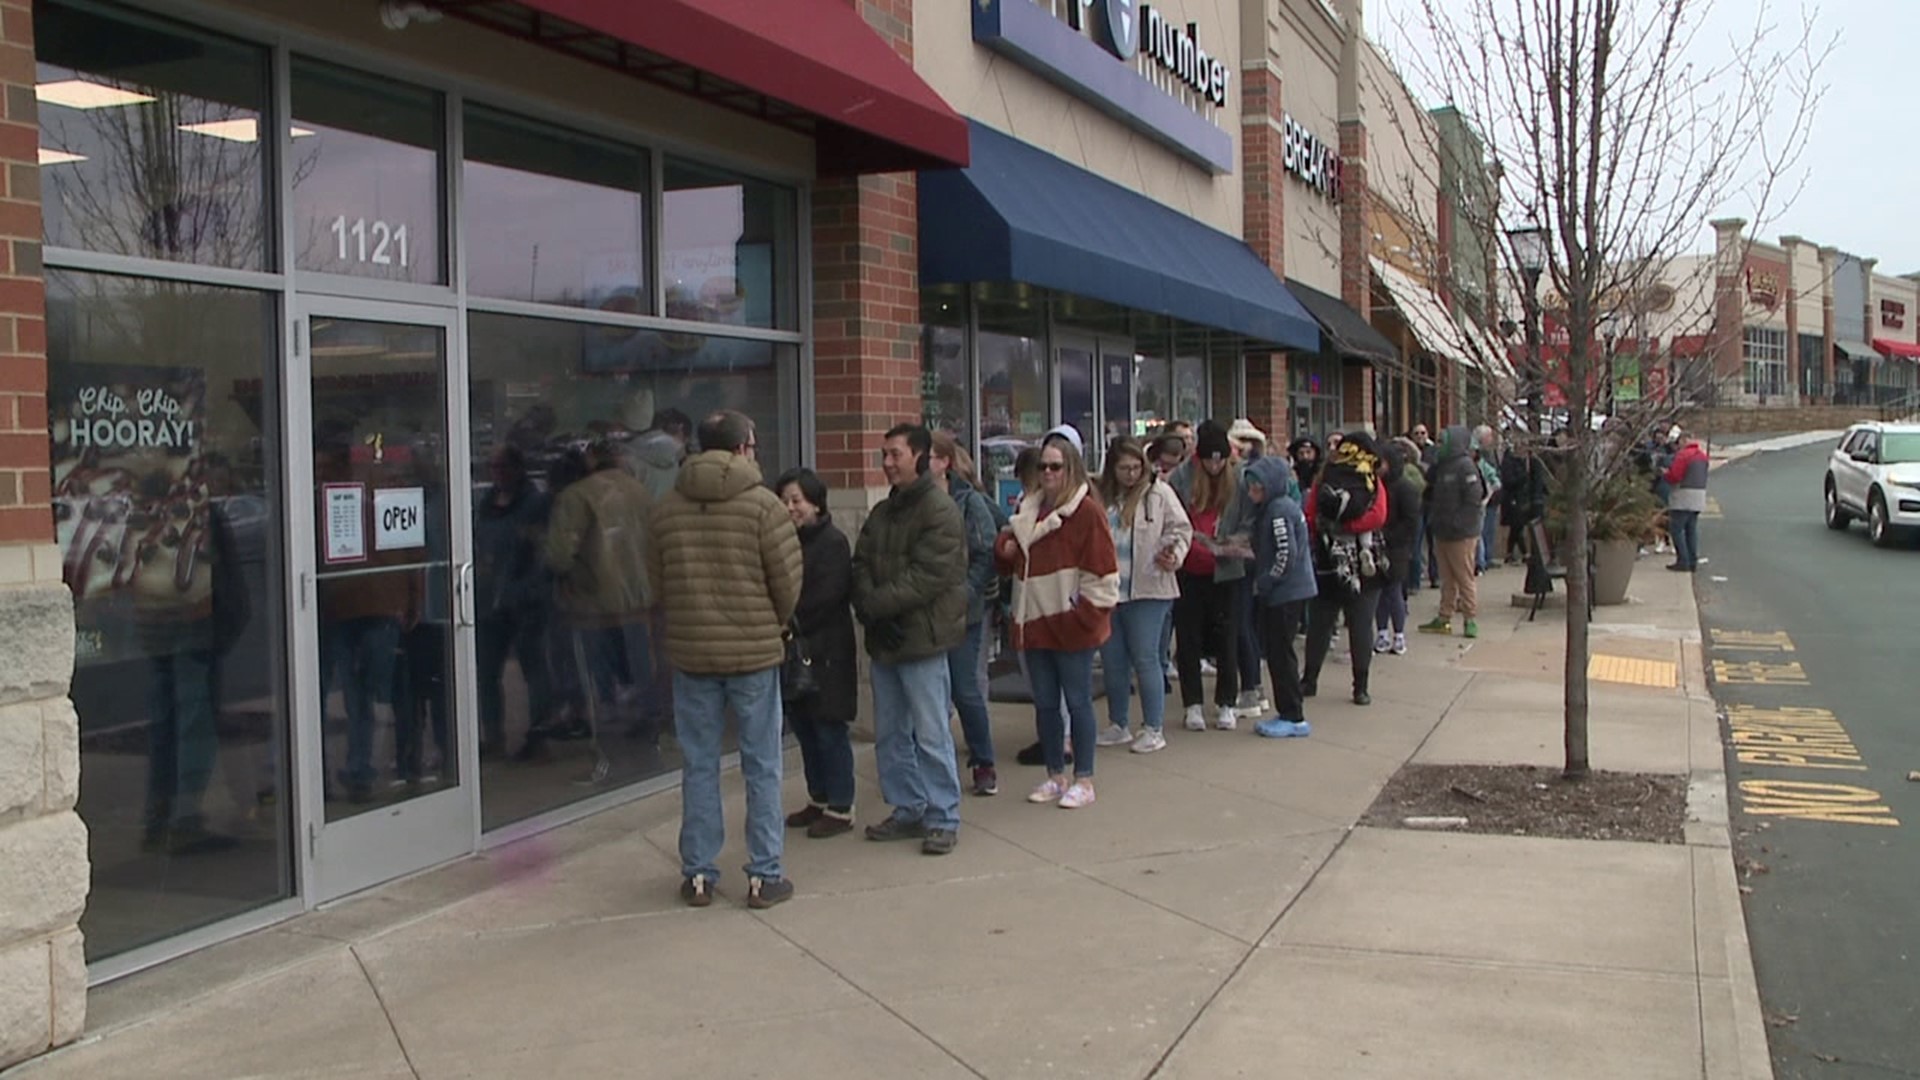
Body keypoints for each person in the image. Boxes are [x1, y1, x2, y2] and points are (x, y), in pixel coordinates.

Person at [647, 410, 802, 909]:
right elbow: (787, 582)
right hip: (754, 654)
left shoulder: (667, 508)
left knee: (698, 765)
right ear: (741, 449)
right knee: (761, 765)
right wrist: (771, 622)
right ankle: (764, 873)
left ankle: (698, 873)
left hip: (692, 654)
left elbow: (657, 582)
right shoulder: (763, 507)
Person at [853, 423, 969, 854]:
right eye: (884, 454)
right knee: (891, 733)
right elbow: (860, 560)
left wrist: (877, 605)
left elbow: (928, 577)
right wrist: (867, 604)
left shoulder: (939, 511)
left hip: (922, 641)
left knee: (931, 732)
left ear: (920, 457)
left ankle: (943, 816)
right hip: (886, 640)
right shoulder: (884, 512)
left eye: (895, 454)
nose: (887, 463)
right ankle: (908, 808)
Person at [997, 433, 1119, 807]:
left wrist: (1079, 619)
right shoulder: (1027, 510)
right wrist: (1006, 550)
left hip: (1069, 627)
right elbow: (1011, 563)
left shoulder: (1087, 513)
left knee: (1078, 702)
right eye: (1043, 466)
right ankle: (1055, 774)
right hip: (1034, 624)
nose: (1048, 473)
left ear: (1071, 469)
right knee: (1046, 705)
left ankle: (1084, 778)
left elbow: (1103, 578)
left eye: (1055, 466)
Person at [544, 436, 654, 764]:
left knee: (595, 676)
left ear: (592, 458)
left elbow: (558, 555)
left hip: (591, 603)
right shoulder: (640, 492)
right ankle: (645, 725)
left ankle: (602, 742)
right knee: (638, 668)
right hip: (638, 598)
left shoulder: (575, 497)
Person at [775, 468, 859, 838]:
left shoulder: (832, 542)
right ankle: (819, 797)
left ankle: (841, 806)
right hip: (794, 653)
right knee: (805, 729)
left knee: (829, 728)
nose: (790, 507)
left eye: (797, 500)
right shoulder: (783, 542)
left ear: (816, 503)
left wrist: (786, 618)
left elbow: (824, 598)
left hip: (827, 652)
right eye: (785, 500)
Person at [1093, 437, 1191, 754]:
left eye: (1136, 467)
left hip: (1149, 588)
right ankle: (1118, 723)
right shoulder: (1102, 496)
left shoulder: (1158, 493)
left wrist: (1174, 553)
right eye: (1124, 468)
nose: (1132, 474)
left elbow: (1181, 529)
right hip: (1110, 589)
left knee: (1146, 657)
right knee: (1113, 660)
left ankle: (1153, 727)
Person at [1168, 420, 1254, 732]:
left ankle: (1226, 703)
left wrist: (1234, 542)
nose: (1215, 465)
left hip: (1226, 570)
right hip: (1190, 568)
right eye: (1209, 459)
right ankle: (1192, 704)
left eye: (1220, 459)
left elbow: (1249, 520)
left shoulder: (1241, 478)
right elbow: (1171, 518)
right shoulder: (1181, 478)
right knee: (1188, 638)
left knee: (1227, 637)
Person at [930, 430, 1002, 797]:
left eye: (927, 456)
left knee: (964, 688)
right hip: (922, 613)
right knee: (928, 694)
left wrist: (967, 592)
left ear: (944, 462)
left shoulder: (968, 501)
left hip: (963, 612)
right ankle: (929, 768)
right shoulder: (905, 501)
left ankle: (983, 760)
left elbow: (987, 552)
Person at [474, 445, 553, 762]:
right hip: (490, 599)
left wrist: (526, 588)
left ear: (518, 469)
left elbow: (543, 553)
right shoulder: (486, 502)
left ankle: (539, 734)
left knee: (532, 668)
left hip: (525, 599)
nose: (497, 473)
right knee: (487, 671)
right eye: (492, 467)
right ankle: (492, 735)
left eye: (503, 467)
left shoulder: (535, 505)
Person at [1301, 432, 1391, 705]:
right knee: (1362, 625)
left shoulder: (1326, 477)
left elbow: (1310, 513)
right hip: (1367, 561)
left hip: (1331, 559)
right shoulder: (1372, 480)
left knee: (1320, 623)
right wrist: (1353, 528)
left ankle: (1309, 680)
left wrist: (1332, 530)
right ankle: (1360, 687)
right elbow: (1380, 515)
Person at [1243, 454, 1315, 738]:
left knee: (1281, 655)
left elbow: (1287, 553)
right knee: (1279, 653)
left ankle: (1292, 714)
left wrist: (1267, 581)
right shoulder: (1276, 508)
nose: (1252, 493)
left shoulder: (1279, 510)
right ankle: (1289, 711)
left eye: (1257, 487)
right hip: (1285, 591)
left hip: (1285, 594)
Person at [1418, 426, 1490, 638]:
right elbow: (1429, 486)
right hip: (1442, 530)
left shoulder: (1466, 466)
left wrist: (1459, 523)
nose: (1439, 445)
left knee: (1464, 577)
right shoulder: (1442, 466)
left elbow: (1474, 498)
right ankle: (1444, 616)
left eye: (1443, 441)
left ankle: (1470, 619)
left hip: (1461, 533)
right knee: (1447, 578)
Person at [1373, 438, 1424, 655]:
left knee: (1393, 590)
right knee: (1379, 591)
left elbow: (1411, 521)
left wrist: (1392, 537)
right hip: (1379, 545)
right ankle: (1382, 632)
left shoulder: (1406, 488)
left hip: (1397, 547)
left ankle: (1399, 634)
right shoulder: (1376, 486)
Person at [1664, 429, 1709, 572]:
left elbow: (1675, 476)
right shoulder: (1702, 456)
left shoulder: (1683, 455)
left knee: (1676, 529)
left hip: (1683, 495)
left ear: (1683, 441)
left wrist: (1665, 474)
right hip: (1699, 495)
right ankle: (1692, 560)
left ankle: (1683, 561)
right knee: (1691, 530)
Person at [1409, 423, 1439, 590]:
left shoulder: (1433, 451)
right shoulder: (1408, 452)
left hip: (1432, 501)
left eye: (1423, 432)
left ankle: (1435, 576)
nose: (1420, 435)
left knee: (1433, 543)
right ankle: (1414, 581)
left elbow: (1434, 473)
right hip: (1416, 504)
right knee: (1415, 543)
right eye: (1417, 433)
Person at [1472, 425, 1504, 573]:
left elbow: (1494, 475)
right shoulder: (1480, 456)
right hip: (1483, 499)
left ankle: (1485, 558)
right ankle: (1483, 560)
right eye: (1489, 436)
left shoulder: (1490, 453)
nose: (1491, 439)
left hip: (1491, 498)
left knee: (1487, 531)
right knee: (1481, 532)